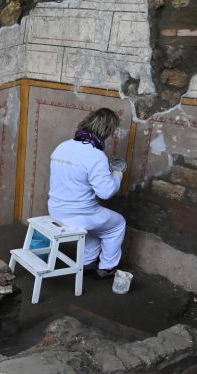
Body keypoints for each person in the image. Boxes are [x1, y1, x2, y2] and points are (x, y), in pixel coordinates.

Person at [47, 108, 127, 279]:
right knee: (117, 224)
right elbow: (106, 192)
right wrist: (117, 174)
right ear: (106, 131)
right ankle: (107, 267)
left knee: (98, 224)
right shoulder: (96, 155)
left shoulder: (63, 146)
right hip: (79, 215)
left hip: (56, 210)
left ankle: (87, 261)